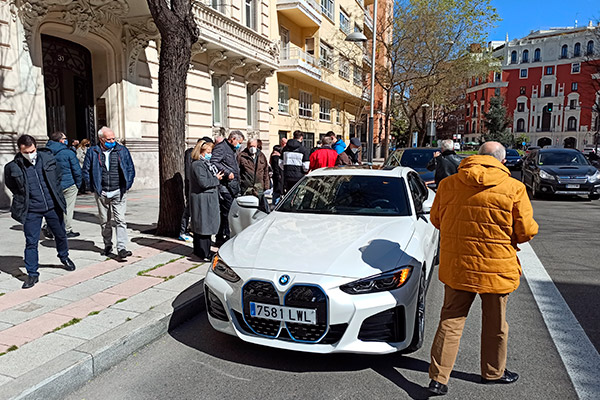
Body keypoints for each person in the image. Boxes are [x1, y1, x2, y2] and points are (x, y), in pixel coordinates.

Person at [427, 141, 539, 396]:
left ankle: (438, 378)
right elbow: (526, 232)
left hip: (458, 266)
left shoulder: (448, 184)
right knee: (495, 323)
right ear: (502, 161)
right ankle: (493, 372)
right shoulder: (514, 188)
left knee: (450, 321)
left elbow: (436, 220)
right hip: (497, 268)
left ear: (477, 157)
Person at [4, 135, 76, 289]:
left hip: (52, 206)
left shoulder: (47, 158)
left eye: (33, 150)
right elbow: (12, 186)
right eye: (26, 152)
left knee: (60, 234)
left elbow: (57, 177)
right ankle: (32, 274)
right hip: (31, 210)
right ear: (20, 150)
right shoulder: (12, 167)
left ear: (36, 147)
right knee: (31, 241)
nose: (30, 154)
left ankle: (64, 257)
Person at [82, 127, 135, 259]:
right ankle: (107, 244)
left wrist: (127, 184)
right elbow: (86, 170)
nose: (112, 141)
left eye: (113, 138)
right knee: (105, 221)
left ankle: (122, 248)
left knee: (120, 220)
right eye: (109, 139)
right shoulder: (93, 151)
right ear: (101, 139)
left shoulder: (122, 150)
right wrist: (92, 187)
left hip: (118, 190)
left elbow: (130, 168)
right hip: (102, 191)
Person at [189, 140, 223, 260]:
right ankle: (204, 252)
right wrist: (216, 179)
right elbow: (203, 182)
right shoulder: (198, 164)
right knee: (204, 227)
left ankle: (201, 251)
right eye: (208, 152)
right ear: (201, 152)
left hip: (206, 198)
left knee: (204, 226)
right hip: (203, 200)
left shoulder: (204, 164)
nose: (210, 154)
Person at [44, 131, 82, 238]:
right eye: (65, 138)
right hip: (69, 184)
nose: (66, 140)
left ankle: (49, 227)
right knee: (67, 208)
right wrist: (78, 184)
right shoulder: (68, 153)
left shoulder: (45, 152)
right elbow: (77, 170)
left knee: (54, 207)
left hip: (52, 185)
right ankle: (66, 229)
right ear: (61, 140)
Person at [211, 130, 244, 245]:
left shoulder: (231, 149)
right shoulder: (222, 148)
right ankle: (222, 237)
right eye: (239, 142)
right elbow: (214, 162)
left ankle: (223, 235)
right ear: (233, 139)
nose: (239, 145)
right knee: (226, 213)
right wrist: (226, 172)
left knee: (229, 212)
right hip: (225, 186)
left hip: (232, 186)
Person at [180, 137, 214, 242]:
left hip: (195, 186)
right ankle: (183, 230)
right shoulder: (191, 155)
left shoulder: (203, 159)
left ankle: (191, 229)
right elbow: (189, 171)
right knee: (189, 209)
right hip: (192, 186)